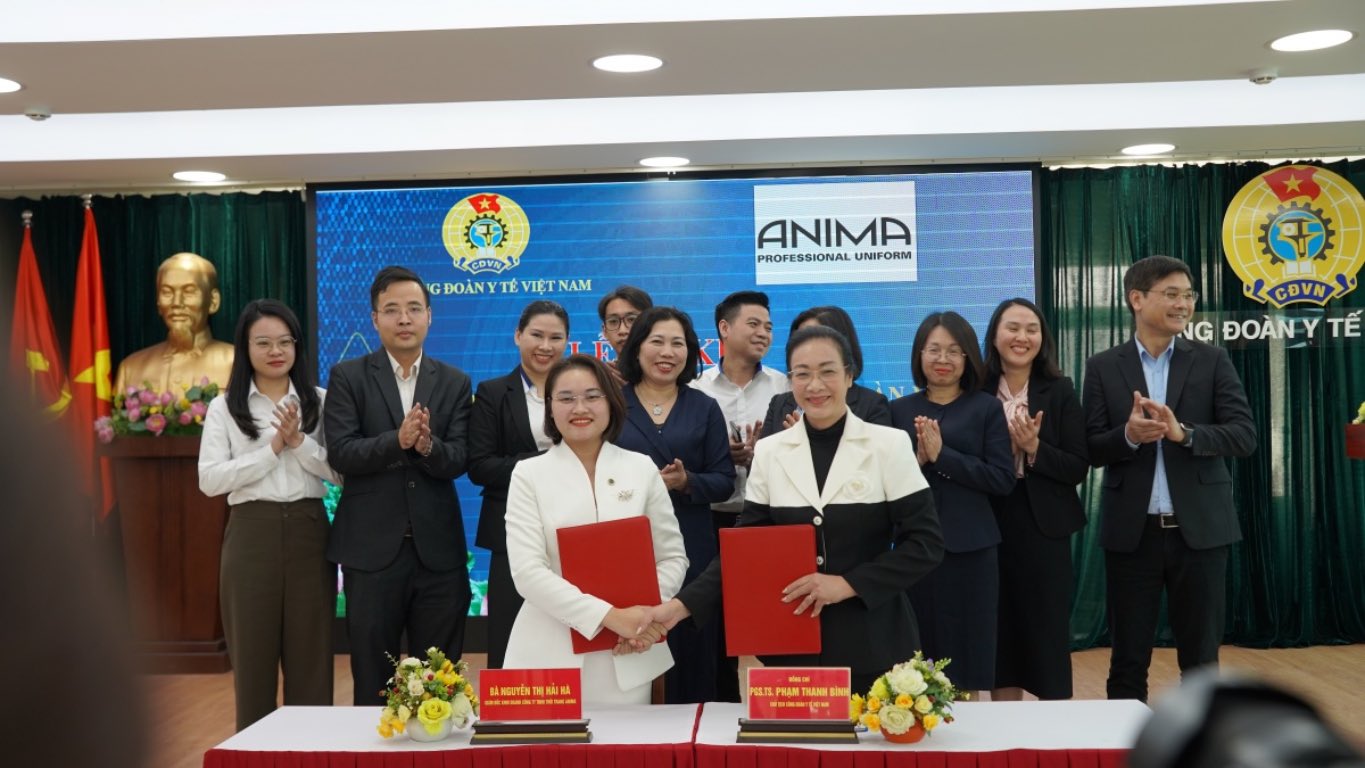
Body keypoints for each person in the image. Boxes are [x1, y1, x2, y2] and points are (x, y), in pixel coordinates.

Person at [650, 325, 943, 694]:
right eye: (802, 374)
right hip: (790, 651)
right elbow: (744, 552)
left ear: (850, 376)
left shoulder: (888, 445)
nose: (814, 385)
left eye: (827, 371)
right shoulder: (772, 452)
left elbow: (925, 544)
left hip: (874, 643)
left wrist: (846, 584)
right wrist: (679, 608)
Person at [1083, 255, 1255, 702]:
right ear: (1136, 299)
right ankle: (1121, 749)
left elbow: (1244, 435)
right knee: (1127, 659)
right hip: (1132, 534)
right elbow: (1091, 447)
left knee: (1201, 660)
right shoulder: (1103, 366)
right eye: (1172, 294)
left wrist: (1184, 434)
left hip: (1200, 532)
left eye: (1189, 296)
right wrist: (1128, 435)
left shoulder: (1212, 360)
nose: (1183, 304)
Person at [324, 265, 475, 705]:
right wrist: (398, 441)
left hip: (438, 553)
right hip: (371, 554)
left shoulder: (453, 381)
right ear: (375, 319)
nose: (403, 319)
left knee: (440, 677)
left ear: (430, 316)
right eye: (392, 310)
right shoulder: (348, 376)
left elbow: (460, 459)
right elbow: (342, 452)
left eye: (413, 309)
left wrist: (427, 446)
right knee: (373, 673)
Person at [503, 354, 688, 705]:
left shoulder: (641, 468)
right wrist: (608, 616)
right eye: (566, 398)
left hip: (629, 648)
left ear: (611, 402)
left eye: (592, 396)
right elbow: (528, 573)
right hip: (548, 648)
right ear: (550, 408)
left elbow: (672, 556)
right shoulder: (529, 474)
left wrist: (644, 616)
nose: (580, 408)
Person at [198, 299, 339, 730]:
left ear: (297, 346)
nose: (275, 350)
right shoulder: (224, 407)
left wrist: (299, 443)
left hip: (309, 532)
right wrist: (272, 449)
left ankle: (314, 753)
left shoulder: (321, 401)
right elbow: (210, 480)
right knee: (253, 663)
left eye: (284, 341)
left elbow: (340, 472)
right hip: (250, 536)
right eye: (263, 342)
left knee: (311, 663)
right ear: (246, 347)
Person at [615, 306, 736, 703]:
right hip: (625, 540)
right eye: (657, 341)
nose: (667, 352)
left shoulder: (703, 407)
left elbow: (724, 481)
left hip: (691, 543)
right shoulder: (612, 404)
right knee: (627, 643)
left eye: (678, 343)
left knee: (690, 648)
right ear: (637, 348)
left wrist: (688, 482)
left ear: (691, 352)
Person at [890, 311, 1015, 696]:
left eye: (954, 351)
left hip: (972, 550)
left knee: (968, 654)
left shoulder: (985, 408)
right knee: (916, 648)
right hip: (914, 549)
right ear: (919, 355)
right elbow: (887, 485)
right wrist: (918, 461)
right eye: (934, 350)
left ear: (967, 359)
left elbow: (1002, 479)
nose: (943, 359)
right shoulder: (898, 411)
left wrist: (943, 457)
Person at [981, 298, 1089, 701]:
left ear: (1043, 339)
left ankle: (1053, 726)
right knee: (999, 630)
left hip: (1043, 524)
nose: (1022, 337)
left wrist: (1034, 448)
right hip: (988, 520)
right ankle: (1006, 726)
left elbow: (1078, 464)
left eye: (1032, 329)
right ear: (994, 335)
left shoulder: (1059, 390)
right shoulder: (976, 390)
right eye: (1012, 327)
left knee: (1045, 631)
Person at [690, 290, 787, 701]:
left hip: (770, 521)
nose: (763, 332)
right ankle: (718, 710)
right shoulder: (697, 390)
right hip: (713, 516)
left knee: (776, 627)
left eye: (768, 326)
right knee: (713, 628)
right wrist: (717, 457)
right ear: (724, 329)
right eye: (753, 324)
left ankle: (786, 711)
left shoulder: (786, 385)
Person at [468, 300, 570, 669]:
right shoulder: (493, 392)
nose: (546, 346)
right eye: (537, 335)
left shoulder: (582, 391)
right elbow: (479, 466)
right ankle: (508, 716)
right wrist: (546, 464)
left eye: (556, 337)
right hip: (511, 528)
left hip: (575, 528)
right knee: (509, 632)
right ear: (517, 336)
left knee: (569, 629)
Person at [114, 252, 235, 394]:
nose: (177, 303)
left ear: (213, 301)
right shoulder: (130, 368)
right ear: (158, 302)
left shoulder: (239, 364)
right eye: (167, 292)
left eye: (189, 292)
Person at [762, 305, 891, 434]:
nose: (809, 346)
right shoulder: (778, 404)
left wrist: (811, 439)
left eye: (818, 336)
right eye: (801, 338)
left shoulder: (872, 404)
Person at [597, 285, 654, 385]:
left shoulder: (671, 376)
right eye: (613, 321)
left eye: (631, 319)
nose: (622, 330)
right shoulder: (599, 379)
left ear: (650, 325)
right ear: (604, 331)